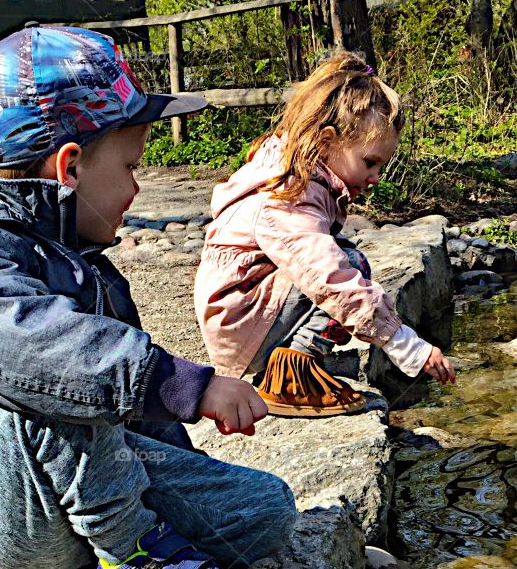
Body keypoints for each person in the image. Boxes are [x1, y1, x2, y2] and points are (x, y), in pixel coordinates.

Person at [0, 25, 295, 569]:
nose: (137, 186)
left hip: (83, 484)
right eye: (130, 165)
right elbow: (42, 350)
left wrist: (181, 455)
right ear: (71, 166)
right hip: (8, 505)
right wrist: (189, 385)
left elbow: (132, 420)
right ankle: (130, 563)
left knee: (267, 511)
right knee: (57, 368)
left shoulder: (82, 259)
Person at [194, 51, 456, 418]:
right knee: (347, 263)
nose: (376, 177)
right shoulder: (286, 194)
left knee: (344, 256)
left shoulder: (295, 172)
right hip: (244, 326)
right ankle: (290, 378)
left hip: (244, 317)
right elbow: (328, 278)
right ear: (327, 141)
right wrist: (406, 345)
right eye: (370, 162)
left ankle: (294, 362)